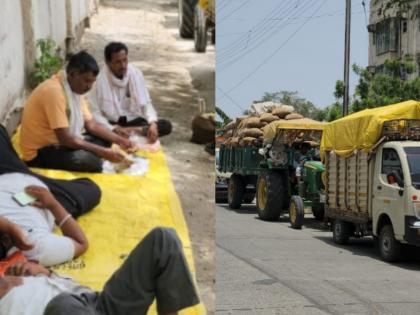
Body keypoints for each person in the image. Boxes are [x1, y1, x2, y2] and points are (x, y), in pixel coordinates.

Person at [0, 227, 199, 315]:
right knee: (61, 306)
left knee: (162, 238)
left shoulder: (16, 269)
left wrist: (45, 273)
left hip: (98, 304)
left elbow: (68, 285)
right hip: (62, 310)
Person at [19, 51, 135, 173]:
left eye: (92, 82)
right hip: (40, 153)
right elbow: (65, 139)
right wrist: (102, 152)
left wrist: (120, 140)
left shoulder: (73, 89)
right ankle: (96, 157)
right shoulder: (54, 92)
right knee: (89, 161)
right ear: (73, 74)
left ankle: (97, 153)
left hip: (61, 143)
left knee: (106, 139)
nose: (89, 87)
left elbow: (91, 125)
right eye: (86, 81)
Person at [90, 42, 172, 143]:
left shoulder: (135, 74)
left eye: (125, 60)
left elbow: (146, 103)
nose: (123, 65)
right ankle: (126, 134)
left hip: (133, 122)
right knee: (95, 134)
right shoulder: (98, 80)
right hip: (110, 124)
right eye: (118, 62)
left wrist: (153, 123)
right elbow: (95, 113)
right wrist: (113, 128)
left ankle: (129, 132)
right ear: (108, 62)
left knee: (165, 125)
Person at [0, 172, 88, 267]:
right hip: (42, 194)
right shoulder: (34, 247)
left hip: (13, 177)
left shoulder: (34, 246)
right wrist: (54, 205)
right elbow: (80, 243)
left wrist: (9, 227)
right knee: (91, 188)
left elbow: (81, 244)